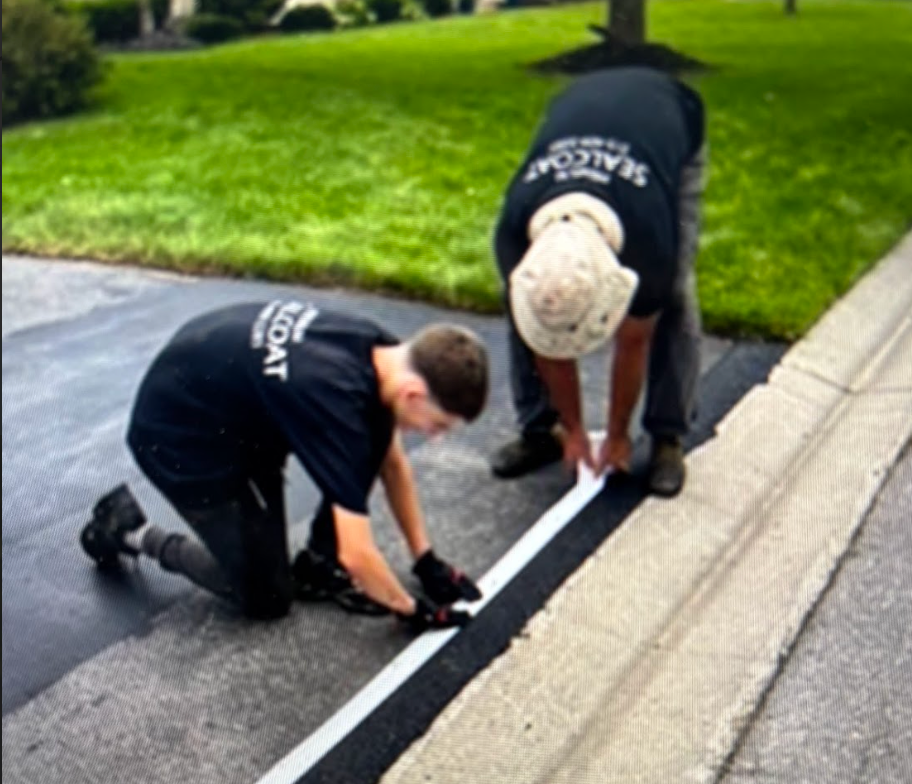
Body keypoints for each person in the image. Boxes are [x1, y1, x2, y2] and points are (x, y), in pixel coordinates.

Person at [79, 299, 489, 633]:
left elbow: (393, 464)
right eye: (438, 425)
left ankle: (316, 565)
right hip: (180, 440)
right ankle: (130, 530)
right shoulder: (334, 397)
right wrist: (411, 610)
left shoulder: (384, 350)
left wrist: (426, 559)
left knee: (374, 431)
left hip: (234, 410)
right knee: (266, 597)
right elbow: (358, 555)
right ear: (415, 392)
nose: (434, 436)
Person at [491, 66, 706, 496]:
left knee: (675, 296)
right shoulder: (514, 232)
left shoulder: (648, 239)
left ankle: (667, 435)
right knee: (531, 305)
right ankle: (541, 430)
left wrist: (617, 434)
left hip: (667, 117)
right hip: (580, 103)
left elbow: (633, 340)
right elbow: (547, 341)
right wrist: (573, 429)